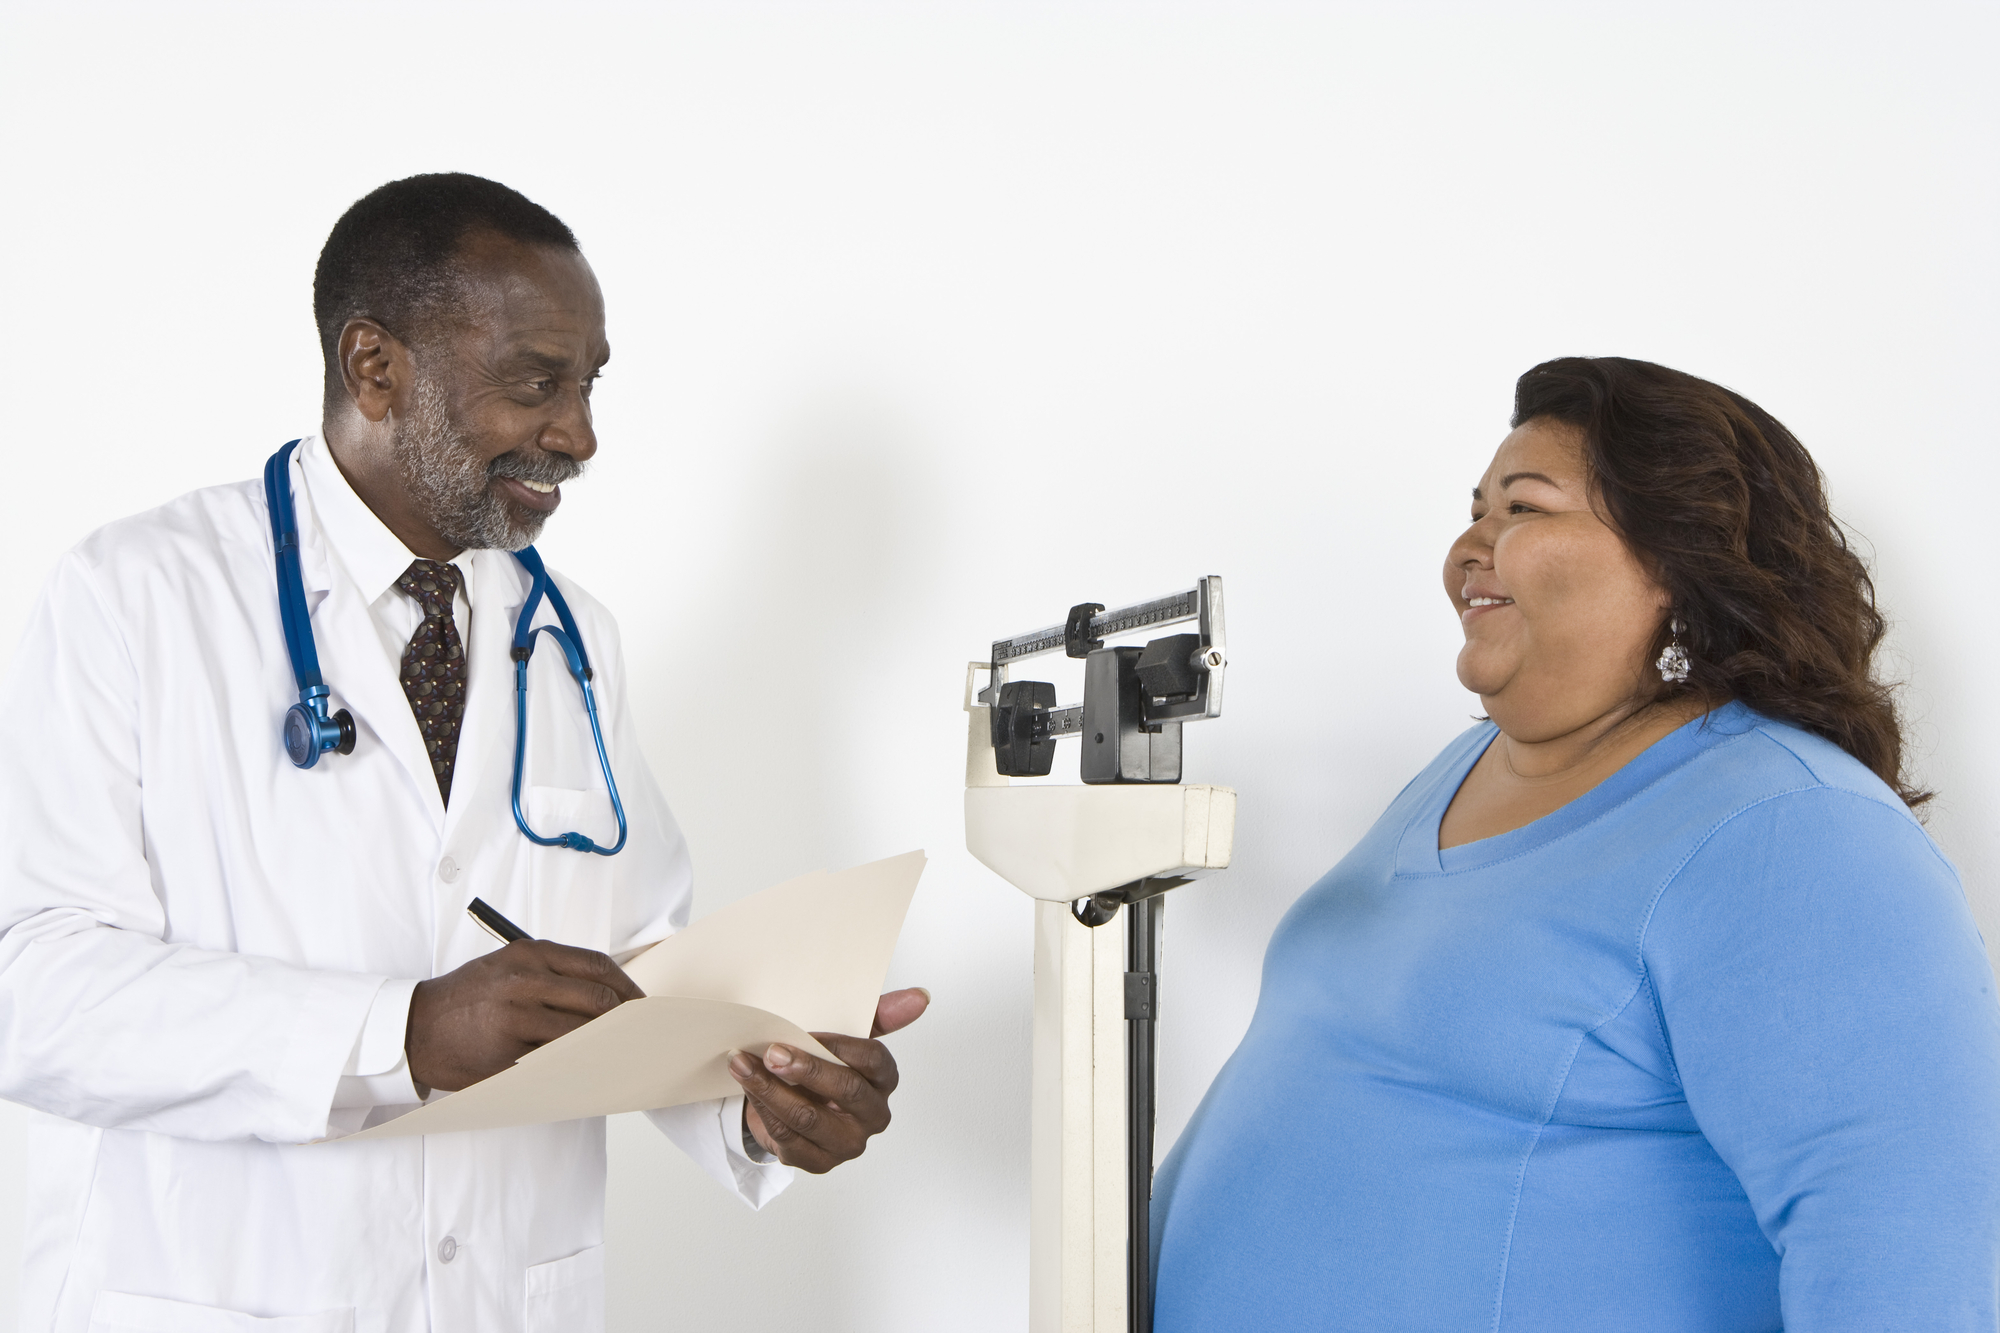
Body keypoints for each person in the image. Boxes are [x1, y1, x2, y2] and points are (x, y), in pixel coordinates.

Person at [0, 173, 928, 1333]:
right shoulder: (134, 596)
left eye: (588, 385)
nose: (579, 435)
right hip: (214, 1292)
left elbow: (630, 978)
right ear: (375, 368)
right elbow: (32, 989)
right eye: (536, 383)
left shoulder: (573, 635)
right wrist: (404, 1030)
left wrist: (760, 1094)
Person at [1150, 357, 2000, 1330]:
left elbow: (1901, 1255)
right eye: (1473, 507)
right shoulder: (1460, 771)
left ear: (1674, 563)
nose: (1468, 546)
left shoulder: (1792, 831)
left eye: (1523, 508)